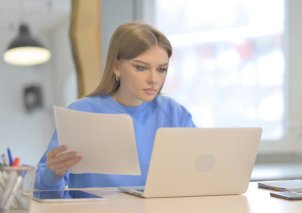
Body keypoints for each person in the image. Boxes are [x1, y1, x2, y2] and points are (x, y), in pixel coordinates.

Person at [35, 21, 195, 190]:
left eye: (161, 69)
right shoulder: (81, 113)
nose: (154, 79)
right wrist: (53, 174)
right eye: (141, 68)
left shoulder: (176, 114)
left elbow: (199, 173)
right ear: (117, 67)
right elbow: (42, 191)